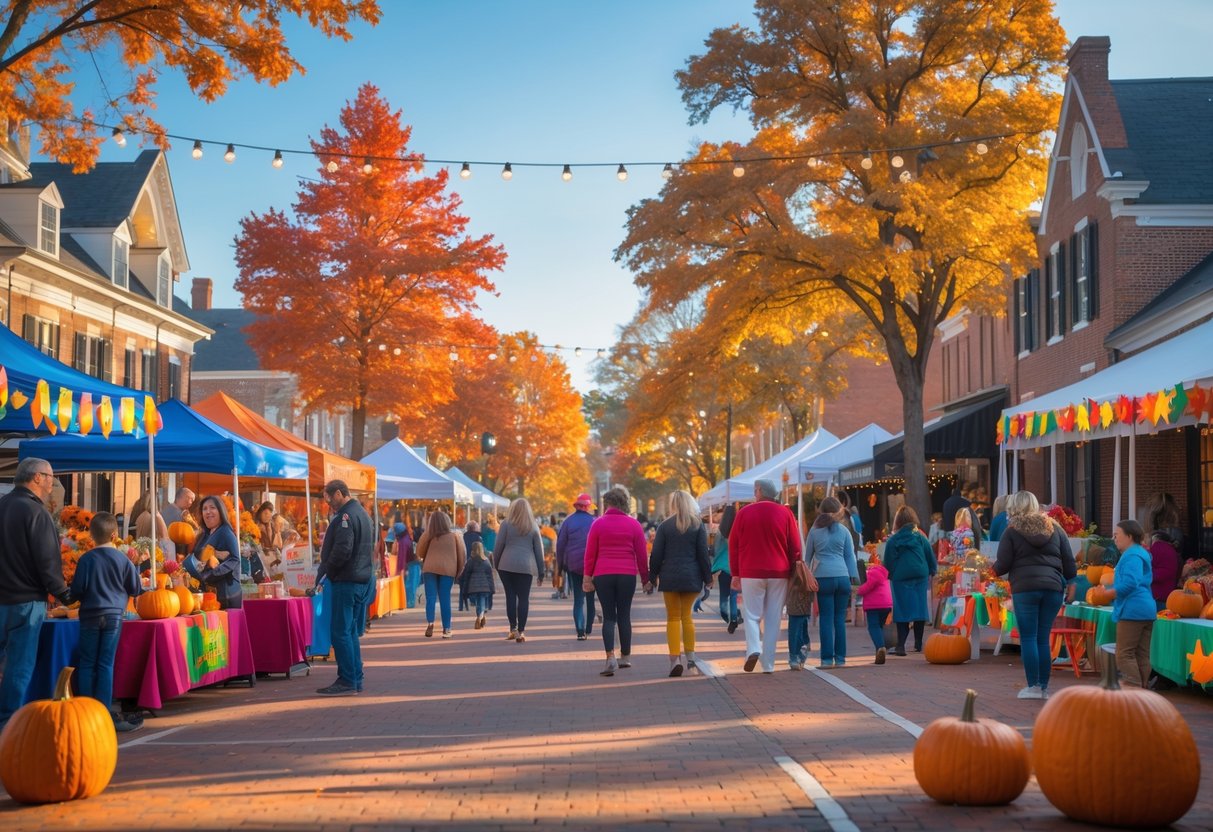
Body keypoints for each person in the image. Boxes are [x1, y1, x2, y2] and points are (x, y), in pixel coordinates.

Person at [0, 458, 72, 730]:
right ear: (37, 478)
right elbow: (47, 562)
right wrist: (64, 593)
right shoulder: (35, 512)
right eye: (51, 478)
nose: (52, 485)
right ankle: (8, 728)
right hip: (26, 603)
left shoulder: (3, 505)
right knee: (18, 669)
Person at [992, 490, 1077, 700]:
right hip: (1053, 589)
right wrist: (1070, 582)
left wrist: (989, 569)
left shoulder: (1011, 531)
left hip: (1025, 588)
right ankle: (1044, 688)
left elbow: (1002, 565)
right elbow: (1069, 565)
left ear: (1014, 507)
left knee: (1028, 637)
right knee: (1042, 637)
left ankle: (1033, 687)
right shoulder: (1055, 529)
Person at [69, 512, 142, 732]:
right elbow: (135, 588)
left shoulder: (86, 559)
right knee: (106, 663)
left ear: (92, 536)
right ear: (114, 534)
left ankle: (85, 710)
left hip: (90, 615)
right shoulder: (122, 559)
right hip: (113, 616)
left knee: (88, 662)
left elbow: (76, 591)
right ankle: (103, 710)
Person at [730, 479, 802, 674]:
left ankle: (753, 648)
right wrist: (794, 569)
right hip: (779, 571)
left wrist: (735, 572)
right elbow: (795, 546)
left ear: (760, 491)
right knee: (773, 617)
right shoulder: (786, 513)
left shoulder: (744, 513)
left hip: (750, 571)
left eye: (755, 490)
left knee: (751, 614)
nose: (754, 493)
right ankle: (768, 663)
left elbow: (733, 544)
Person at [314, 480, 374, 695]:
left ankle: (347, 679)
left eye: (329, 498)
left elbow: (343, 549)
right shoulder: (363, 514)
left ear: (338, 493)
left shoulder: (346, 516)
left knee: (340, 631)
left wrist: (327, 571)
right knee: (349, 632)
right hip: (360, 579)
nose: (328, 504)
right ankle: (355, 676)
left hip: (346, 580)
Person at [584, 485, 649, 676]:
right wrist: (645, 579)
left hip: (603, 574)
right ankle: (626, 657)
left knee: (609, 617)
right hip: (627, 574)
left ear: (608, 504)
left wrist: (587, 578)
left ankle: (610, 657)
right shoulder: (634, 525)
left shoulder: (597, 524)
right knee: (624, 615)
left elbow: (590, 555)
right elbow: (641, 555)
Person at [646, 490, 712, 677]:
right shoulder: (698, 525)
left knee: (673, 618)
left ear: (673, 505)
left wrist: (652, 578)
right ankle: (691, 657)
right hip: (692, 577)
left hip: (670, 578)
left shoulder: (664, 526)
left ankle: (675, 659)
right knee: (687, 617)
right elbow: (703, 555)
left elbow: (656, 555)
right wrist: (708, 579)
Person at [805, 496, 858, 668]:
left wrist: (807, 578)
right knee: (839, 619)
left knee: (826, 618)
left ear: (821, 510)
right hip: (842, 577)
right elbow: (850, 556)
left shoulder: (814, 531)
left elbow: (807, 558)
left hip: (823, 578)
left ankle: (827, 659)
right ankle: (840, 658)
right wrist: (853, 578)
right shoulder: (844, 531)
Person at [882, 506, 937, 655]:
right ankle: (918, 644)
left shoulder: (893, 540)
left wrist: (890, 574)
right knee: (919, 608)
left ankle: (901, 645)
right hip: (920, 575)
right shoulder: (920, 536)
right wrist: (932, 570)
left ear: (897, 521)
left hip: (901, 577)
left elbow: (888, 561)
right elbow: (929, 555)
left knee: (902, 610)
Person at [1108, 520, 1156, 687]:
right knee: (1142, 655)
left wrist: (1108, 593)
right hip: (1146, 609)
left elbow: (1130, 582)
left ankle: (1133, 689)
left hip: (1133, 610)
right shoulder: (1140, 553)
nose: (1114, 539)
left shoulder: (1132, 555)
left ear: (1129, 536)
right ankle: (1143, 695)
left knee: (1124, 654)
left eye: (1117, 535)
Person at [492, 498, 545, 643]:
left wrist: (496, 564)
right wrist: (541, 571)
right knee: (523, 598)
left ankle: (512, 628)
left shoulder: (506, 525)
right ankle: (521, 631)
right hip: (526, 566)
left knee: (510, 596)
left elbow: (498, 546)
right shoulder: (533, 526)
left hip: (506, 565)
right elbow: (539, 551)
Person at [184, 495, 243, 610]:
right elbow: (199, 558)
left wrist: (211, 574)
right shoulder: (205, 534)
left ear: (220, 511)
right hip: (210, 595)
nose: (208, 512)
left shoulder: (225, 531)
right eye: (204, 509)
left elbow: (234, 559)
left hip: (226, 595)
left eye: (212, 508)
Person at [416, 510, 465, 638]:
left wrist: (427, 533)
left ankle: (430, 623)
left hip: (430, 568)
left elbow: (420, 552)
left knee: (430, 597)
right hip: (448, 570)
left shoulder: (429, 535)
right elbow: (461, 556)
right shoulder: (455, 537)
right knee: (445, 598)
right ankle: (446, 629)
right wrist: (458, 571)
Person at [556, 492, 597, 640]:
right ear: (588, 506)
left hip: (573, 564)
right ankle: (589, 628)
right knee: (591, 598)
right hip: (592, 565)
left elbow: (560, 546)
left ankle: (580, 631)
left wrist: (560, 566)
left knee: (578, 600)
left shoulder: (568, 522)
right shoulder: (595, 521)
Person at [855, 551, 892, 664]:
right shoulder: (884, 574)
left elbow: (866, 588)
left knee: (873, 627)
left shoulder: (871, 574)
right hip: (886, 605)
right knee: (879, 627)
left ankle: (880, 647)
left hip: (873, 605)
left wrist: (859, 591)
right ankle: (879, 652)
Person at [713, 504, 741, 631]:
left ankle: (726, 616)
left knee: (724, 597)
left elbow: (716, 550)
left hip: (723, 570)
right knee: (733, 596)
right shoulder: (738, 530)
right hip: (736, 569)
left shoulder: (719, 533)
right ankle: (734, 618)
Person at [1148, 529, 1182, 611]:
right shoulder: (1173, 551)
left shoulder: (1157, 547)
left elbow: (1146, 567)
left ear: (1155, 539)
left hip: (1155, 595)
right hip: (1168, 595)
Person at [460, 521, 483, 612]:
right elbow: (481, 551)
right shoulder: (478, 537)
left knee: (465, 582)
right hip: (475, 563)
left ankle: (462, 604)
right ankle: (473, 600)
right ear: (475, 528)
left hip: (465, 563)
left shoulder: (463, 537)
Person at [255, 501, 283, 572]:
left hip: (273, 561)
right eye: (265, 513)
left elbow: (279, 545)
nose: (267, 516)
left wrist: (277, 532)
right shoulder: (255, 527)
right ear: (260, 512)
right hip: (261, 562)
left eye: (269, 514)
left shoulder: (272, 527)